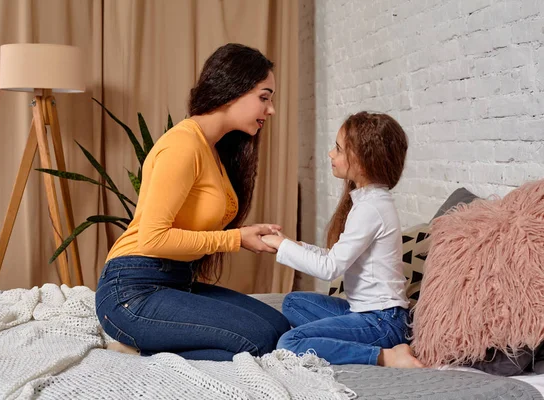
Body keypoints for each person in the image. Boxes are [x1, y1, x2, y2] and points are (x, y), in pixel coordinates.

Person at [95, 43, 290, 361]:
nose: (270, 110)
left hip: (173, 282)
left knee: (279, 328)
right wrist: (236, 238)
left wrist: (245, 234)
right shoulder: (183, 145)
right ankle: (141, 350)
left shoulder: (213, 148)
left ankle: (153, 342)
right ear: (232, 89)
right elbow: (153, 239)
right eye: (264, 97)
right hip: (131, 291)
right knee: (260, 342)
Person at [261, 111, 424, 368]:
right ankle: (343, 338)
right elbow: (334, 256)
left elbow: (330, 269)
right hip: (366, 313)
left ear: (362, 161)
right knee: (293, 302)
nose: (330, 154)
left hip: (382, 322)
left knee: (290, 343)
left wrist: (282, 246)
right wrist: (292, 245)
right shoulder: (368, 201)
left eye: (338, 149)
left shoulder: (371, 208)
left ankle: (386, 356)